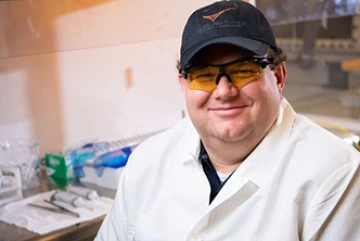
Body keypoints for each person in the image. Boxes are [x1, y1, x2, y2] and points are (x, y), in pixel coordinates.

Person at [95, 1, 360, 240]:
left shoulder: (336, 176)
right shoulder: (147, 162)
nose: (224, 91)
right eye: (203, 74)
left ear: (278, 77)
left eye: (244, 70)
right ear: (184, 85)